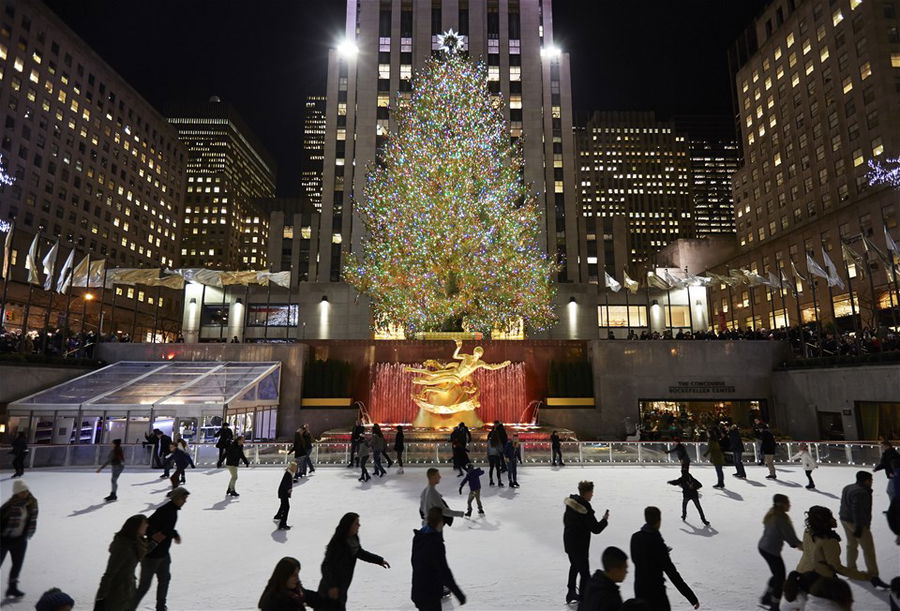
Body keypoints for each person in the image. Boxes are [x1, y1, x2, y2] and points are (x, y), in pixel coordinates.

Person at [630, 506, 699, 611]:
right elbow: (672, 574)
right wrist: (691, 597)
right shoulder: (658, 544)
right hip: (656, 594)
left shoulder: (635, 538)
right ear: (658, 521)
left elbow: (636, 559)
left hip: (640, 590)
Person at [134, 486, 189, 611]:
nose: (185, 501)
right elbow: (146, 525)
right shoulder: (164, 510)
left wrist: (174, 534)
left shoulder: (173, 510)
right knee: (144, 586)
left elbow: (167, 527)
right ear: (176, 498)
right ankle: (129, 607)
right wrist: (153, 535)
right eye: (183, 498)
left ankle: (160, 606)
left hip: (163, 553)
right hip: (151, 555)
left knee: (164, 579)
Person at [317, 512, 390, 606]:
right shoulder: (337, 544)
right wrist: (333, 586)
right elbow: (326, 566)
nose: (359, 525)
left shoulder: (353, 539)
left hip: (342, 588)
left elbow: (360, 553)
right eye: (356, 523)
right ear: (349, 525)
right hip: (330, 590)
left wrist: (378, 560)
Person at [95, 514, 164, 611]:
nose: (147, 526)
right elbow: (109, 574)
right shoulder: (123, 547)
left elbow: (140, 553)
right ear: (136, 527)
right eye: (144, 524)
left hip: (128, 590)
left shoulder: (136, 543)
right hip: (117, 593)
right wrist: (100, 600)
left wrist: (154, 542)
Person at [839, 470, 889, 588]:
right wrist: (859, 527)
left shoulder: (848, 487)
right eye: (871, 480)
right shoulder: (861, 492)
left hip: (844, 519)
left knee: (851, 545)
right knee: (868, 549)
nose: (872, 482)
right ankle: (873, 575)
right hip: (856, 523)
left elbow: (844, 504)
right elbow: (857, 511)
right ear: (866, 481)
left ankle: (851, 570)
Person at [411, 506, 466, 611]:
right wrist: (459, 594)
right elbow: (444, 571)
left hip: (417, 590)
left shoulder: (419, 536)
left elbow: (414, 562)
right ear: (440, 522)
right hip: (429, 594)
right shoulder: (435, 543)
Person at [563, 480, 610, 604]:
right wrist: (604, 520)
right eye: (592, 492)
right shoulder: (585, 509)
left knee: (574, 566)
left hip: (569, 542)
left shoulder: (571, 504)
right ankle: (585, 598)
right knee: (585, 573)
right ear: (587, 492)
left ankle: (571, 591)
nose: (592, 495)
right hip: (580, 545)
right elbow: (596, 529)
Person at [796, 505, 869, 581]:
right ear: (824, 522)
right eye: (830, 517)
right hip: (818, 579)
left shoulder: (808, 531)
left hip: (802, 571)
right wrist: (863, 576)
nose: (834, 520)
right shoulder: (829, 541)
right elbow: (836, 567)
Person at [757, 494, 802, 610]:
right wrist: (803, 546)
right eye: (788, 503)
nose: (790, 505)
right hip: (771, 550)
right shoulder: (781, 518)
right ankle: (774, 606)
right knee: (780, 578)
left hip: (763, 547)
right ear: (782, 504)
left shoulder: (772, 513)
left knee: (777, 574)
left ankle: (766, 598)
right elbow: (791, 538)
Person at [0, 480, 38, 598]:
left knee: (17, 565)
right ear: (16, 493)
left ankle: (12, 588)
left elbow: (32, 520)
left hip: (20, 540)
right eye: (21, 491)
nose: (25, 493)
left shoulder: (32, 503)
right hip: (4, 540)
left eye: (26, 490)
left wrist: (26, 534)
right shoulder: (8, 506)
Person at [258, 556, 337, 611]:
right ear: (284, 576)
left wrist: (330, 600)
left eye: (298, 574)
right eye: (293, 575)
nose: (297, 578)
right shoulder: (272, 602)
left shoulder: (296, 590)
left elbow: (313, 598)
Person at [578, 546, 628, 611]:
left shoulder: (592, 583)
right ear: (615, 570)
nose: (626, 572)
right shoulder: (610, 598)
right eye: (625, 568)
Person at [274, 462, 298, 530]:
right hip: (283, 493)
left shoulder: (289, 473)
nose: (296, 469)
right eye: (295, 468)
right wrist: (289, 489)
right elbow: (286, 483)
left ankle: (278, 516)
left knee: (283, 505)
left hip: (282, 492)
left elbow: (287, 481)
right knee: (286, 507)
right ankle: (282, 524)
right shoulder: (288, 474)